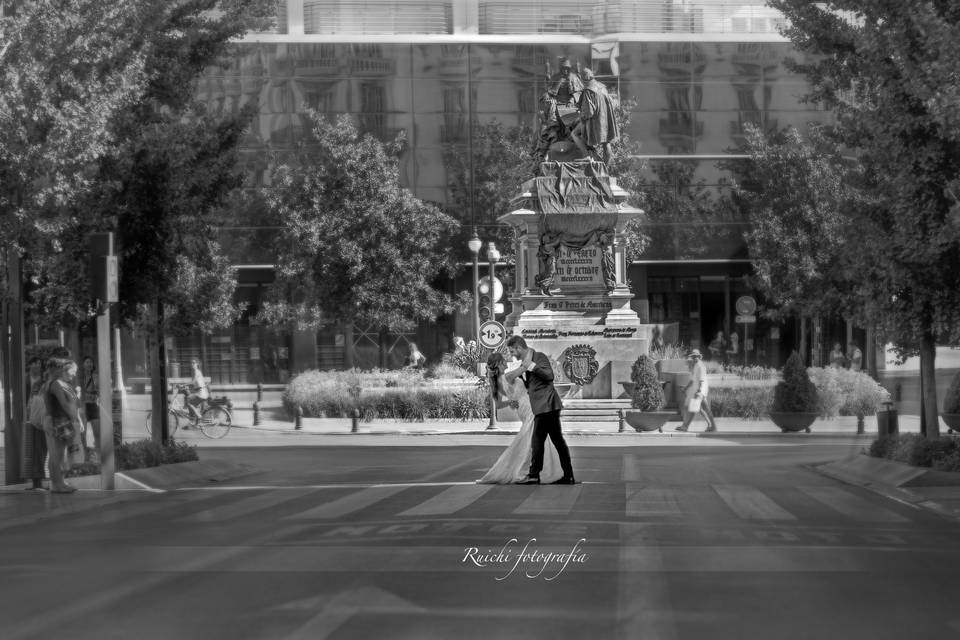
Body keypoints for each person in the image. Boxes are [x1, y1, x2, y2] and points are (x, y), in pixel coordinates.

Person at [477, 353, 563, 484]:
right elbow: (524, 367)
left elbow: (499, 405)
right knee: (533, 439)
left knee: (533, 438)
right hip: (530, 408)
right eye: (504, 361)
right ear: (499, 364)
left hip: (524, 408)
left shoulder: (497, 382)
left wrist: (510, 402)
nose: (507, 362)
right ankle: (529, 471)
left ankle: (534, 471)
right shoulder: (508, 376)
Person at [506, 335, 576, 485]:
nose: (512, 355)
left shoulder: (538, 357)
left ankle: (534, 475)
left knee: (538, 441)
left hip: (547, 405)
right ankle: (567, 476)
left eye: (513, 351)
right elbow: (530, 385)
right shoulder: (524, 363)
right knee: (555, 441)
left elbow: (549, 376)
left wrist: (530, 366)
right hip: (542, 407)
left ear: (519, 347)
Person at [43, 358, 83, 493]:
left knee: (60, 454)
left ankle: (59, 483)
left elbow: (70, 402)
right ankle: (57, 485)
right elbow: (64, 403)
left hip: (61, 420)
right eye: (61, 368)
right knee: (57, 454)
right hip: (59, 421)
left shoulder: (57, 383)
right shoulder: (55, 384)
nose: (62, 370)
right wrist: (74, 418)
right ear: (57, 369)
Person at [570, 68, 619, 163]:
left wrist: (580, 116)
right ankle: (606, 167)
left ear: (583, 79)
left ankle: (586, 155)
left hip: (595, 122)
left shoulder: (588, 91)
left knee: (574, 134)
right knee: (606, 142)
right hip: (606, 120)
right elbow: (610, 103)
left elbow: (588, 112)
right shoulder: (602, 87)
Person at [21, 357, 48, 490]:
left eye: (40, 364)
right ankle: (36, 481)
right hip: (34, 420)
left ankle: (41, 481)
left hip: (41, 419)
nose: (38, 366)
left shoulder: (44, 382)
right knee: (34, 450)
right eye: (36, 363)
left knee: (42, 450)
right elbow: (29, 400)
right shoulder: (30, 381)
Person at [676, 349, 717, 432]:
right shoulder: (696, 365)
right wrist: (686, 388)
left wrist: (698, 391)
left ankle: (685, 426)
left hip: (700, 391)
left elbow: (701, 380)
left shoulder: (700, 366)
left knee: (694, 409)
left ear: (699, 357)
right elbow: (692, 380)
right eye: (693, 356)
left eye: (696, 356)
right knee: (701, 409)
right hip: (699, 391)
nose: (694, 358)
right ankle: (712, 426)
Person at [79, 356, 100, 461]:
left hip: (93, 405)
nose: (89, 364)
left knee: (97, 431)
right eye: (87, 362)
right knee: (83, 432)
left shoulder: (96, 376)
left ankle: (97, 454)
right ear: (83, 365)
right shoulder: (79, 377)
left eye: (91, 362)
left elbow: (101, 391)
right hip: (83, 405)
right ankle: (85, 456)